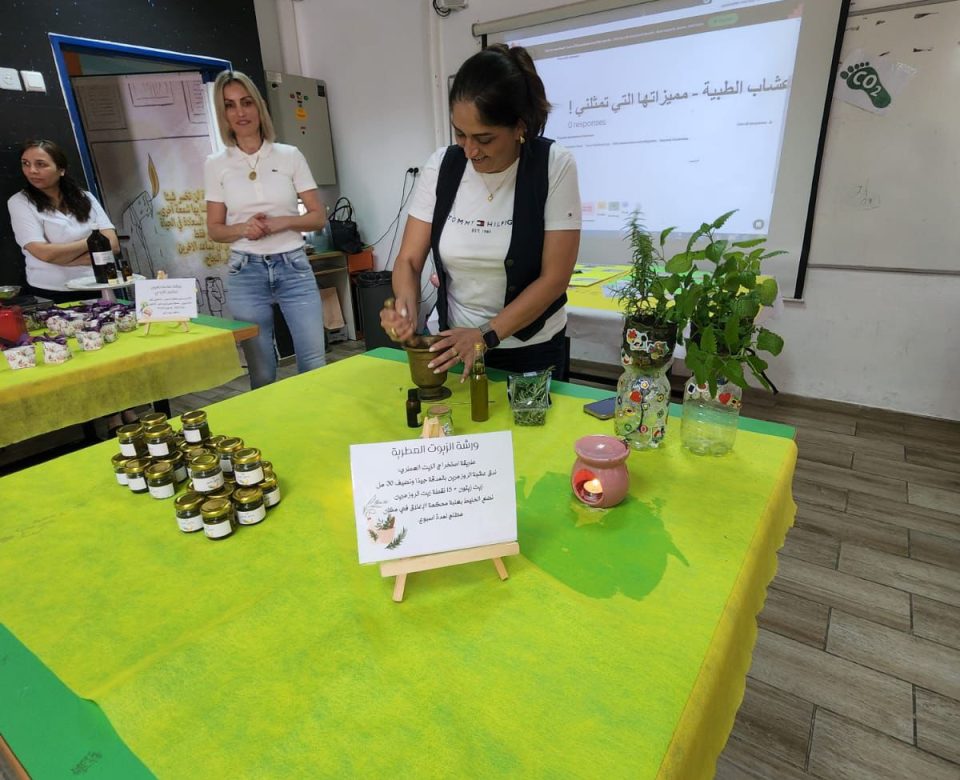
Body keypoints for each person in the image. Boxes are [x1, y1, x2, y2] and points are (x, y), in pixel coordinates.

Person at [380, 44, 581, 380]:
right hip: (452, 345)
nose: (470, 151)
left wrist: (484, 335)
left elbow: (554, 278)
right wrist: (405, 306)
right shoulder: (442, 166)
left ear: (519, 127)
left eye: (484, 139)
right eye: (460, 134)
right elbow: (409, 260)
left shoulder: (553, 166)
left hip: (529, 351)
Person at [205, 70, 328, 389]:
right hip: (246, 272)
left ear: (259, 106)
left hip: (293, 267)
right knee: (261, 373)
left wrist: (281, 222)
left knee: (314, 365)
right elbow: (215, 230)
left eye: (246, 102)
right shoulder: (216, 164)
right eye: (230, 105)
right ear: (223, 113)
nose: (240, 112)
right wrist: (243, 228)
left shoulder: (289, 155)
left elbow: (318, 217)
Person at [7, 139, 120, 303]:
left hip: (97, 284)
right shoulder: (20, 202)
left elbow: (113, 245)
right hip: (52, 291)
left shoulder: (85, 197)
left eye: (41, 164)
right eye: (26, 163)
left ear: (61, 170)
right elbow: (44, 253)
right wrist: (94, 241)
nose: (32, 171)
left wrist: (63, 259)